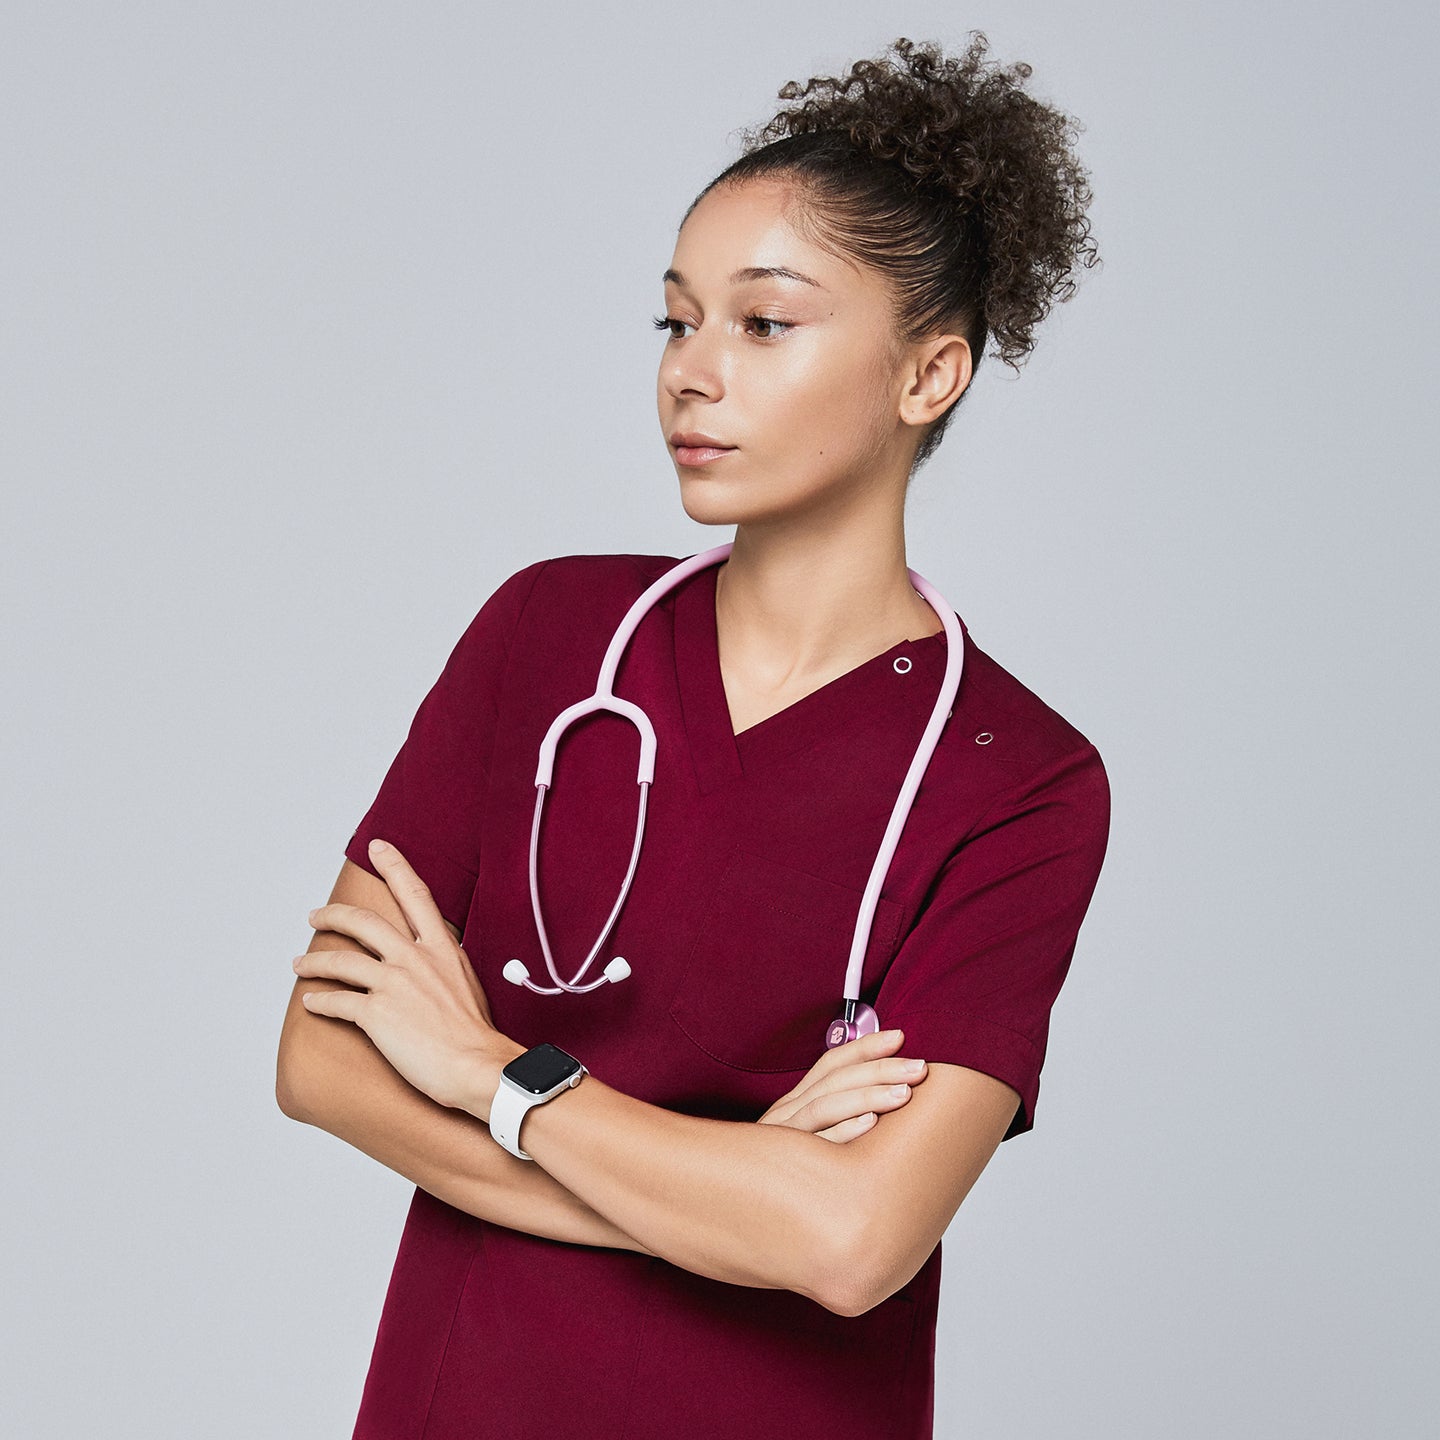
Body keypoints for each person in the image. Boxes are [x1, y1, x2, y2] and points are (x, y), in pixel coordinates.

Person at [275, 33, 1110, 1439]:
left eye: (763, 324)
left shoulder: (1017, 778)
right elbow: (323, 1062)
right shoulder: (544, 638)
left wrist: (499, 1077)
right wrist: (729, 1196)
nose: (691, 374)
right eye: (676, 322)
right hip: (468, 1397)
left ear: (930, 376)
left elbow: (850, 1247)